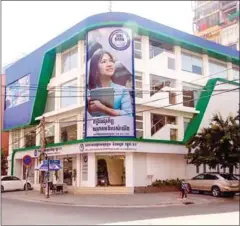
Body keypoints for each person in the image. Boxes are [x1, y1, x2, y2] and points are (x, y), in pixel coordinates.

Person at [87, 50, 133, 117]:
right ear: (96, 69)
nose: (109, 64)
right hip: (95, 127)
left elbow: (129, 115)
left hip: (118, 127)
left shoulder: (122, 90)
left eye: (111, 61)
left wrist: (103, 108)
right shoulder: (88, 91)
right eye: (103, 62)